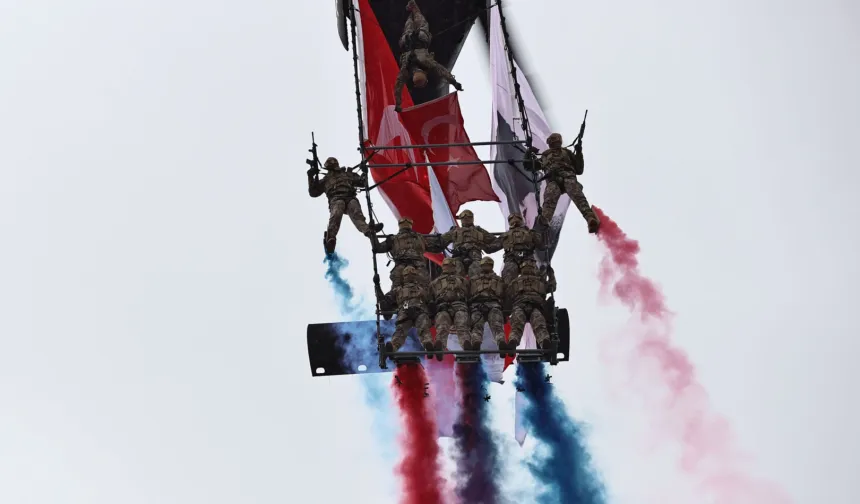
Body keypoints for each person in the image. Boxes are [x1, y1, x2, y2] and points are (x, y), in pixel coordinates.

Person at [393, 0, 463, 113]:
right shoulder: (407, 68)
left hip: (420, 39)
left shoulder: (426, 63)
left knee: (421, 23)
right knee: (409, 25)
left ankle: (414, 9)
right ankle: (411, 12)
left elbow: (442, 71)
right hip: (408, 40)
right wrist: (398, 104)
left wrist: (455, 83)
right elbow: (398, 86)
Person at [308, 157, 383, 254]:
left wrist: (364, 172)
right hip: (336, 199)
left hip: (350, 197)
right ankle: (331, 238)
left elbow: (363, 183)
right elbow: (313, 192)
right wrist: (310, 176)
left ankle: (368, 230)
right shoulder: (326, 180)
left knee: (356, 211)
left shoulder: (347, 174)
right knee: (337, 211)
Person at [529, 133, 600, 233]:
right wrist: (528, 153)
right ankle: (543, 223)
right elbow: (530, 166)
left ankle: (590, 218)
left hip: (568, 177)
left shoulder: (567, 152)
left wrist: (579, 152)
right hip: (554, 180)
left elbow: (579, 169)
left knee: (578, 196)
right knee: (549, 201)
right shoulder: (545, 156)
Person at [506, 259, 556, 357]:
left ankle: (513, 342)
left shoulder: (515, 282)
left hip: (523, 306)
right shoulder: (540, 281)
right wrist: (551, 274)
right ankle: (544, 342)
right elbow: (552, 286)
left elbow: (507, 295)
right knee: (538, 323)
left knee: (518, 324)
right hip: (532, 306)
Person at [381, 265, 433, 355]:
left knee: (423, 328)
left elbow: (431, 301)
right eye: (407, 275)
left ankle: (428, 345)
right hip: (405, 312)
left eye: (412, 274)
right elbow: (385, 301)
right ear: (403, 277)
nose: (410, 276)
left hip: (419, 311)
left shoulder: (422, 289)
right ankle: (393, 347)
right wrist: (378, 287)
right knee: (400, 331)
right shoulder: (398, 290)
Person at [433, 209, 500, 278]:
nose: (466, 219)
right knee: (456, 272)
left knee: (477, 272)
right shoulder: (455, 231)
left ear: (472, 218)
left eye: (469, 217)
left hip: (475, 258)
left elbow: (496, 241)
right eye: (463, 218)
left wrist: (485, 247)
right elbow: (439, 242)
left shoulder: (479, 230)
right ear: (461, 220)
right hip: (459, 257)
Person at [370, 217, 430, 290]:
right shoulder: (393, 239)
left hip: (418, 268)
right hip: (401, 268)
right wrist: (372, 232)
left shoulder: (419, 238)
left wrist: (448, 234)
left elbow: (439, 244)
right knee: (396, 291)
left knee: (424, 290)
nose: (405, 223)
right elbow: (377, 248)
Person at [429, 257, 469, 357]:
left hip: (460, 306)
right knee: (442, 324)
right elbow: (429, 298)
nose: (449, 268)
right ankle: (440, 347)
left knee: (462, 324)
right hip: (442, 307)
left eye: (451, 266)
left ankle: (467, 346)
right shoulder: (435, 282)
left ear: (455, 267)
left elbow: (470, 295)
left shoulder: (463, 281)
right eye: (447, 265)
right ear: (443, 267)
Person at [467, 257, 505, 353]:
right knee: (476, 325)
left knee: (496, 324)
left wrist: (504, 310)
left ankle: (501, 343)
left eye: (488, 265)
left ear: (492, 266)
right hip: (477, 305)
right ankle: (476, 343)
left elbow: (504, 295)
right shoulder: (472, 280)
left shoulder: (499, 280)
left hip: (493, 304)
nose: (486, 267)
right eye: (484, 265)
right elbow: (467, 295)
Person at [498, 213, 546, 284]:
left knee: (533, 280)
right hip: (511, 258)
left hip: (527, 257)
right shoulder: (505, 235)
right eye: (512, 219)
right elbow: (490, 247)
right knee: (507, 279)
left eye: (517, 218)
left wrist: (538, 232)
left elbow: (542, 246)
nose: (514, 221)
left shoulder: (530, 232)